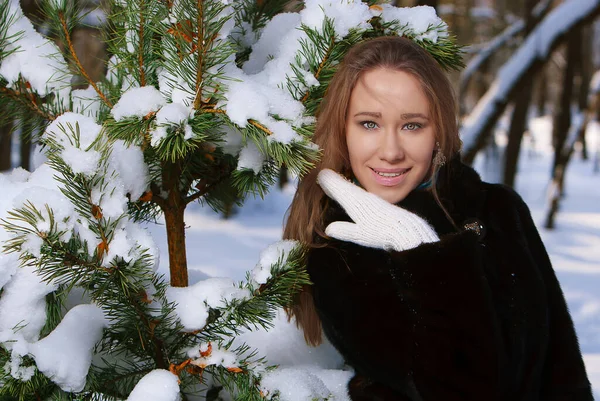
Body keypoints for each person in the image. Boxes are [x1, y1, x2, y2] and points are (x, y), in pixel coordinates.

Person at [283, 36, 593, 401]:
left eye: (412, 125)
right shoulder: (337, 244)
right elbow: (460, 388)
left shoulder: (499, 209)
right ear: (343, 131)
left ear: (439, 131)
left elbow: (563, 371)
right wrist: (423, 256)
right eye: (369, 124)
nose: (391, 151)